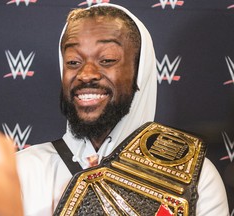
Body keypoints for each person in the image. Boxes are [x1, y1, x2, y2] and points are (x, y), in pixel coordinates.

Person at [16, 3, 229, 216]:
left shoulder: (194, 179)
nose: (86, 73)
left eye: (107, 59)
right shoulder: (20, 172)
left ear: (140, 72)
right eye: (73, 61)